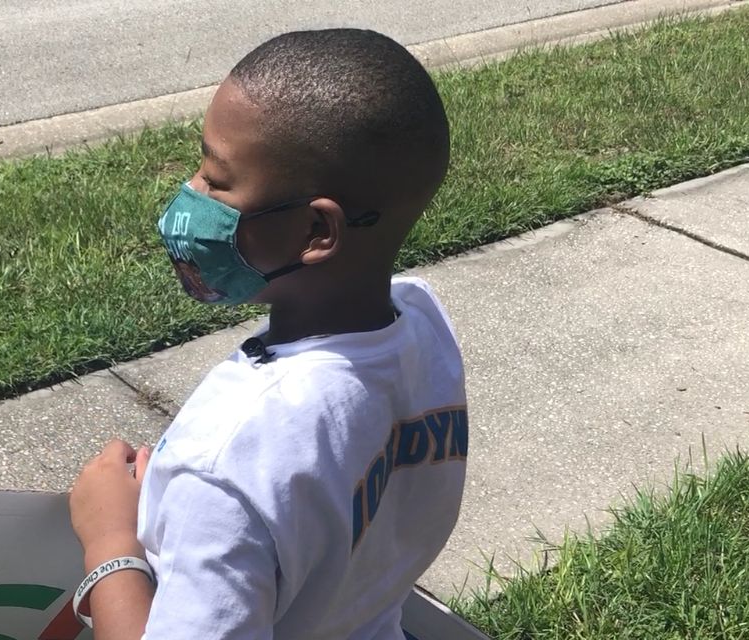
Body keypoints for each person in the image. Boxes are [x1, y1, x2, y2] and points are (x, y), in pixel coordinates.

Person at [68, 28, 468, 640]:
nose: (190, 195)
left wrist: (111, 544)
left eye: (215, 179)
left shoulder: (226, 467)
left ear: (315, 232)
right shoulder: (422, 326)